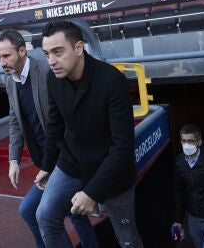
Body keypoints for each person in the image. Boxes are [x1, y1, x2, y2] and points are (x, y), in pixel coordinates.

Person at [35, 21, 143, 248]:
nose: (51, 61)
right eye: (46, 54)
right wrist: (46, 165)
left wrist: (92, 192)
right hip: (71, 163)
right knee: (44, 216)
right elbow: (55, 126)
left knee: (127, 238)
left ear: (78, 48)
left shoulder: (113, 81)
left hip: (113, 173)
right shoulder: (52, 78)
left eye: (57, 52)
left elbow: (122, 146)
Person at [0, 29, 99, 248]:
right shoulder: (10, 80)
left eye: (6, 56)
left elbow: (67, 120)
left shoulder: (47, 72)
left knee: (34, 211)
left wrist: (56, 163)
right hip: (45, 161)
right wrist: (13, 160)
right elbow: (15, 121)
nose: (2, 62)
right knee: (72, 213)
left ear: (22, 51)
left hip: (66, 160)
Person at [173, 123, 204, 248]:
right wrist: (178, 220)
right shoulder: (179, 163)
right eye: (184, 140)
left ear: (199, 142)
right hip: (193, 219)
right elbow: (179, 192)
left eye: (191, 141)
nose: (187, 144)